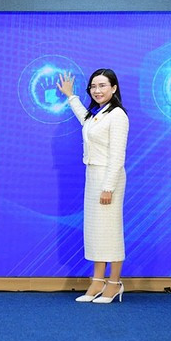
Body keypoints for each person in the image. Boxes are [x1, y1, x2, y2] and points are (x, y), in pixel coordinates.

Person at [58, 69, 130, 304]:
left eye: (102, 86)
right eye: (93, 86)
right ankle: (97, 281)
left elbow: (118, 156)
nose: (97, 90)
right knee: (96, 231)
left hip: (109, 177)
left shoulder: (117, 115)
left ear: (114, 88)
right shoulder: (98, 114)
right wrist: (71, 96)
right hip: (93, 175)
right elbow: (84, 118)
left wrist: (108, 187)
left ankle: (114, 283)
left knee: (110, 230)